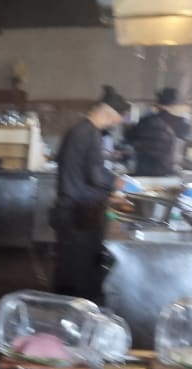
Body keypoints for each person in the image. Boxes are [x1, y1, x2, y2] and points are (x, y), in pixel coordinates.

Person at [50, 85, 130, 303]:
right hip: (79, 212)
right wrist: (115, 182)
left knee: (68, 265)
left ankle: (63, 306)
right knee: (81, 269)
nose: (113, 125)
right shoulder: (90, 134)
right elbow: (95, 175)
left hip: (69, 208)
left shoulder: (78, 131)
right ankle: (79, 310)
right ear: (108, 114)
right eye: (114, 120)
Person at [125, 87, 191, 177]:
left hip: (142, 171)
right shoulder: (181, 123)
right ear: (175, 105)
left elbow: (128, 137)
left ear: (157, 103)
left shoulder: (144, 121)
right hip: (166, 172)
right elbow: (188, 141)